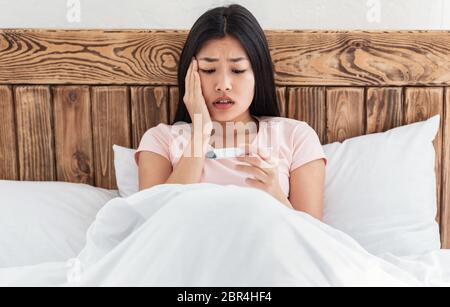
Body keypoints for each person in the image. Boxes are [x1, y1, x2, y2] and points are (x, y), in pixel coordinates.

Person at [135, 4, 327, 220]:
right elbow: (151, 229)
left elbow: (313, 239)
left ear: (258, 73)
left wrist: (275, 193)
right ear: (190, 75)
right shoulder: (160, 140)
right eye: (208, 70)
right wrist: (201, 132)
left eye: (238, 70)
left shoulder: (296, 137)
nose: (223, 85)